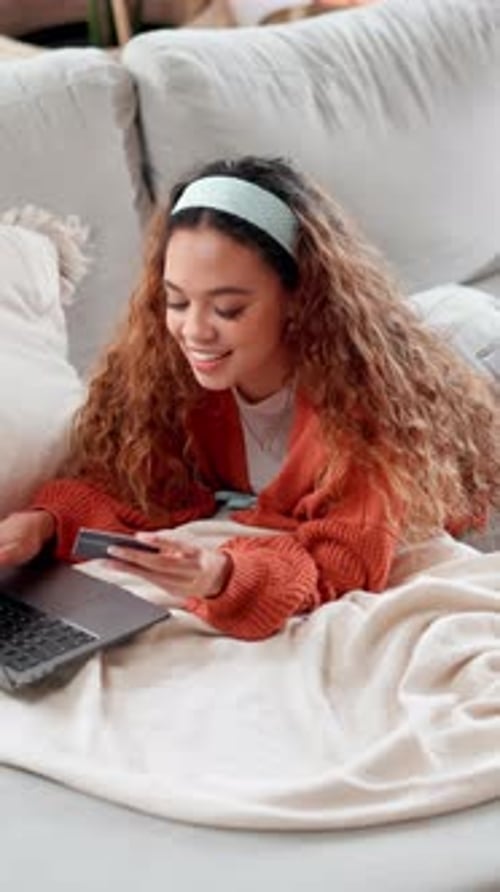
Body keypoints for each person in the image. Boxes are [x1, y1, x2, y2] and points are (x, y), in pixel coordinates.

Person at [0, 156, 498, 639]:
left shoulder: (368, 410)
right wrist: (43, 523)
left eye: (229, 308)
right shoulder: (174, 377)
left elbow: (342, 561)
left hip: (475, 347)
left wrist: (222, 576)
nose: (194, 330)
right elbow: (132, 481)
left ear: (300, 298)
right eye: (176, 300)